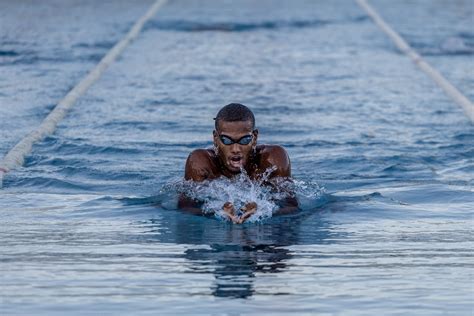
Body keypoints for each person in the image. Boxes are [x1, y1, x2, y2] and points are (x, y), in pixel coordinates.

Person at [180, 103, 296, 223]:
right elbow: (186, 209)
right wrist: (218, 212)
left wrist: (262, 211)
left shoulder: (272, 159)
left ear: (254, 138)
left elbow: (291, 207)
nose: (235, 149)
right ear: (215, 139)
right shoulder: (201, 162)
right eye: (226, 140)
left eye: (244, 140)